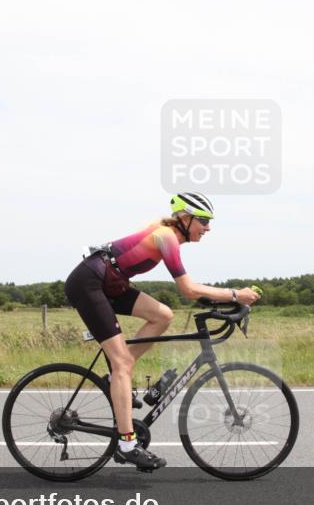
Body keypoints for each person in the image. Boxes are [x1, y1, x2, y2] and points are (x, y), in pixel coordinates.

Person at [64, 192, 261, 472]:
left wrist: (222, 299)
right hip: (89, 283)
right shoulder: (167, 237)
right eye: (203, 221)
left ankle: (116, 378)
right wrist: (234, 295)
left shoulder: (165, 229)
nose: (208, 228)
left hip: (112, 282)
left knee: (163, 315)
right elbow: (188, 290)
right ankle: (127, 445)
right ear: (184, 218)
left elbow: (190, 293)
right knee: (121, 363)